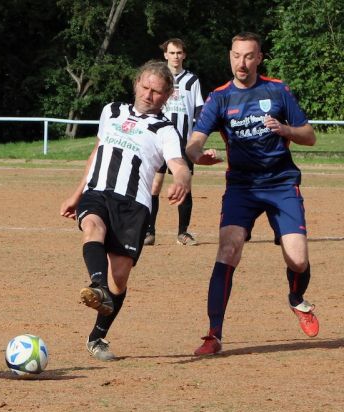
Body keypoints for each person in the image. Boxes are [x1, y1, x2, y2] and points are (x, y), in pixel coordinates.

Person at [60, 60, 218, 361]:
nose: (149, 95)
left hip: (134, 206)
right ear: (136, 85)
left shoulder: (165, 130)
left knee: (119, 278)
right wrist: (76, 194)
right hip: (98, 192)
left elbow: (179, 166)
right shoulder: (111, 111)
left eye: (157, 91)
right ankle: (96, 284)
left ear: (168, 96)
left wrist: (182, 182)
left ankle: (97, 337)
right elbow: (97, 152)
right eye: (145, 87)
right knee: (93, 227)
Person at [185, 32, 318, 356]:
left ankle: (296, 298)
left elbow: (310, 136)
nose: (241, 63)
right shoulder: (219, 98)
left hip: (281, 182)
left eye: (248, 56)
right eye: (236, 55)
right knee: (228, 250)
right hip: (241, 186)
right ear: (229, 56)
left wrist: (286, 130)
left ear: (259, 58)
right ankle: (214, 334)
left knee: (298, 260)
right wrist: (196, 155)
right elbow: (195, 139)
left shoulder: (277, 90)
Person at [144, 38, 205, 246]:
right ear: (165, 55)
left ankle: (183, 233)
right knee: (154, 185)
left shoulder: (192, 81)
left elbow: (199, 110)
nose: (176, 56)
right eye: (172, 53)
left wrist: (198, 137)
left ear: (184, 55)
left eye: (179, 53)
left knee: (184, 185)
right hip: (158, 140)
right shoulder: (158, 79)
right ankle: (149, 231)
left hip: (184, 143)